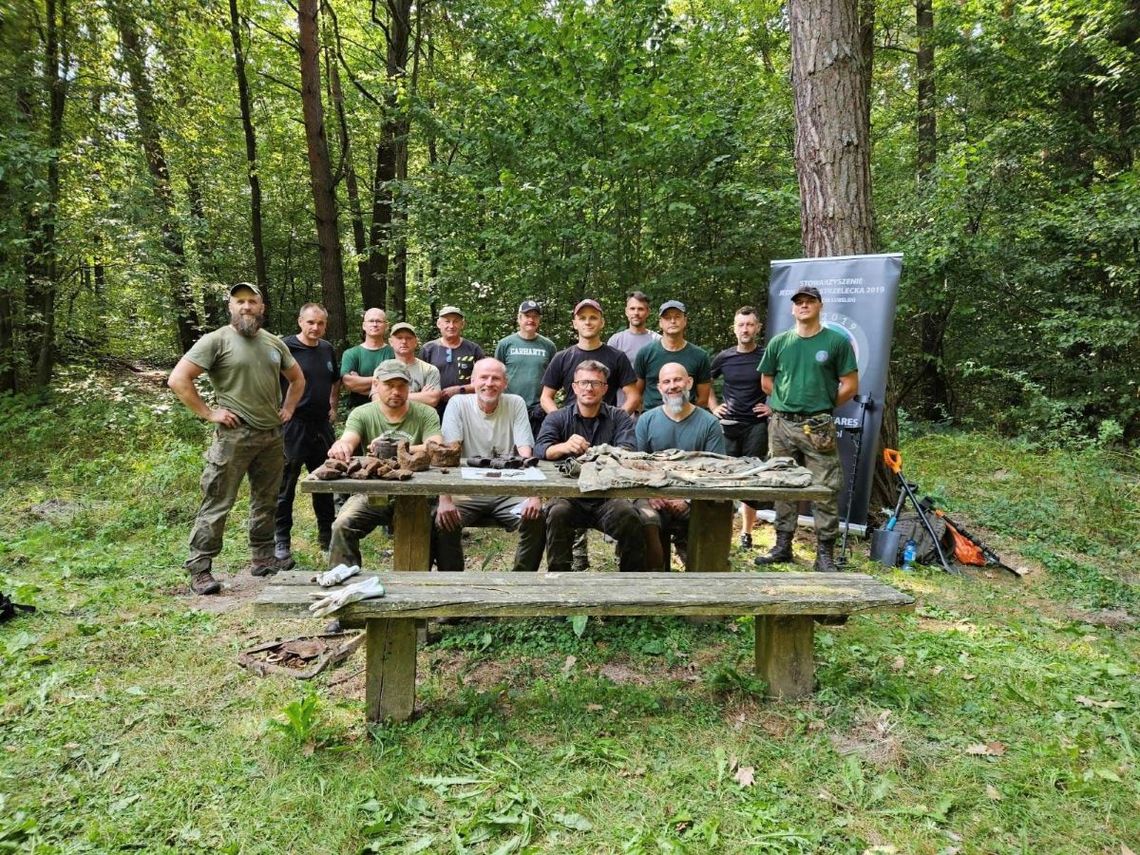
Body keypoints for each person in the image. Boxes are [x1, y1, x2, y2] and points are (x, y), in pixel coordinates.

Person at [167, 282, 305, 595]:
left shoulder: (273, 343)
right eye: (239, 302)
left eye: (252, 301)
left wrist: (288, 408)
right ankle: (200, 568)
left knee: (267, 500)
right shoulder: (215, 340)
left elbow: (297, 379)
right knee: (218, 501)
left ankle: (263, 558)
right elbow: (178, 379)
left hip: (271, 436)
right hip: (234, 436)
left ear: (261, 307)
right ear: (231, 307)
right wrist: (209, 412)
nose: (246, 307)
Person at [754, 285, 858, 573]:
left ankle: (824, 554)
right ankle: (782, 545)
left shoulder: (836, 342)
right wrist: (789, 403)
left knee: (824, 487)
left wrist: (821, 404)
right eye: (798, 302)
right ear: (792, 308)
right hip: (781, 424)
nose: (803, 306)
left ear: (819, 306)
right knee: (783, 484)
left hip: (818, 425)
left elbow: (850, 385)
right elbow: (767, 383)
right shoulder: (779, 343)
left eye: (809, 301)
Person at [539, 299, 640, 571]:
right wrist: (560, 430)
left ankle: (630, 581)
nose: (587, 321)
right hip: (570, 466)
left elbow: (632, 397)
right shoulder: (563, 357)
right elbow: (546, 399)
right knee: (558, 510)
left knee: (628, 514)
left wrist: (613, 421)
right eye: (581, 317)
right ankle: (564, 573)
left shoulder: (616, 357)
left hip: (607, 479)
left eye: (593, 317)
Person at [324, 360, 443, 569]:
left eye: (402, 385)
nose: (396, 391)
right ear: (376, 385)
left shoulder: (425, 413)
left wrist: (399, 447)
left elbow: (436, 446)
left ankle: (446, 589)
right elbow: (349, 439)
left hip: (423, 494)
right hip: (374, 493)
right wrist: (341, 446)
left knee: (445, 528)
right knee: (342, 525)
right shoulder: (363, 413)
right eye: (389, 385)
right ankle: (344, 582)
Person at [435, 359, 545, 572]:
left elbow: (525, 451)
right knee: (441, 519)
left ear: (505, 383)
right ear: (473, 380)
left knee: (536, 518)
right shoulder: (458, 403)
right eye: (484, 377)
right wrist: (444, 497)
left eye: (496, 378)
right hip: (466, 491)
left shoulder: (515, 403)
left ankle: (521, 582)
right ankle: (453, 583)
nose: (489, 383)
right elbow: (448, 452)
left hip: (508, 489)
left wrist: (534, 495)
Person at [635, 362, 725, 570]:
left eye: (677, 380)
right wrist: (651, 494)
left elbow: (716, 471)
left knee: (713, 516)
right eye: (666, 381)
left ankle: (703, 576)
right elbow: (637, 466)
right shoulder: (646, 421)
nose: (672, 385)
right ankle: (657, 579)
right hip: (653, 494)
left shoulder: (709, 423)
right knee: (646, 520)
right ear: (659, 388)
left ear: (689, 382)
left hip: (695, 497)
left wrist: (687, 498)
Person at [273, 303, 340, 562]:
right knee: (285, 485)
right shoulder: (285, 347)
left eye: (320, 323)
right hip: (293, 425)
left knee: (325, 482)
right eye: (310, 322)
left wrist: (333, 405)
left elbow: (335, 379)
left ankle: (327, 536)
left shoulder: (326, 348)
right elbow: (268, 378)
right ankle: (281, 541)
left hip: (321, 425)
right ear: (300, 321)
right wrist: (278, 409)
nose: (315, 328)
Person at [708, 306, 771, 549]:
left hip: (756, 426)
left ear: (757, 328)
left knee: (751, 481)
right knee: (722, 479)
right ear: (734, 328)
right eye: (741, 325)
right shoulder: (724, 357)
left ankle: (746, 534)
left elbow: (781, 382)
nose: (745, 329)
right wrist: (714, 406)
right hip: (727, 425)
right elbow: (706, 382)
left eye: (750, 325)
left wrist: (772, 407)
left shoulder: (766, 356)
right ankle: (719, 532)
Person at [633, 300, 712, 411]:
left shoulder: (700, 356)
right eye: (667, 318)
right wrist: (648, 417)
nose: (673, 321)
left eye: (677, 317)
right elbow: (636, 394)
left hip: (687, 420)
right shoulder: (645, 353)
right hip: (653, 420)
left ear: (685, 321)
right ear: (660, 323)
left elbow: (703, 399)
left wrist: (689, 417)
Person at [494, 299, 556, 437]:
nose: (531, 320)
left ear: (539, 320)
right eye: (527, 316)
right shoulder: (505, 344)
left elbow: (553, 379)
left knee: (536, 451)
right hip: (509, 406)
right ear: (519, 318)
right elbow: (496, 375)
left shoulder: (548, 346)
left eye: (535, 317)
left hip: (538, 410)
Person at [420, 305, 486, 419]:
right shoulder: (428, 349)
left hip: (467, 408)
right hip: (434, 410)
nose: (451, 326)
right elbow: (419, 379)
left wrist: (460, 390)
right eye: (447, 321)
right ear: (438, 324)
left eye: (455, 321)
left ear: (462, 324)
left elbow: (485, 381)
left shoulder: (473, 349)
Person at [606, 290, 660, 408]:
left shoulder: (657, 341)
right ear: (626, 312)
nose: (636, 313)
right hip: (622, 406)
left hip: (652, 407)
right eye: (632, 309)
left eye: (640, 309)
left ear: (648, 312)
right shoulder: (615, 341)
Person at [340, 308, 393, 409]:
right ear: (364, 325)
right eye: (371, 321)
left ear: (386, 326)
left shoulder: (393, 353)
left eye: (378, 321)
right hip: (357, 409)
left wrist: (360, 382)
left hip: (388, 409)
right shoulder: (351, 353)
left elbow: (396, 384)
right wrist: (383, 380)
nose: (374, 324)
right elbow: (349, 383)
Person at [388, 321, 443, 410]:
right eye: (399, 338)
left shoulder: (429, 369)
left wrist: (393, 396)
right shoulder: (383, 369)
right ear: (391, 341)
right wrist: (421, 396)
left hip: (420, 422)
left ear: (416, 342)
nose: (404, 341)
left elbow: (432, 399)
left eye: (409, 338)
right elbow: (377, 399)